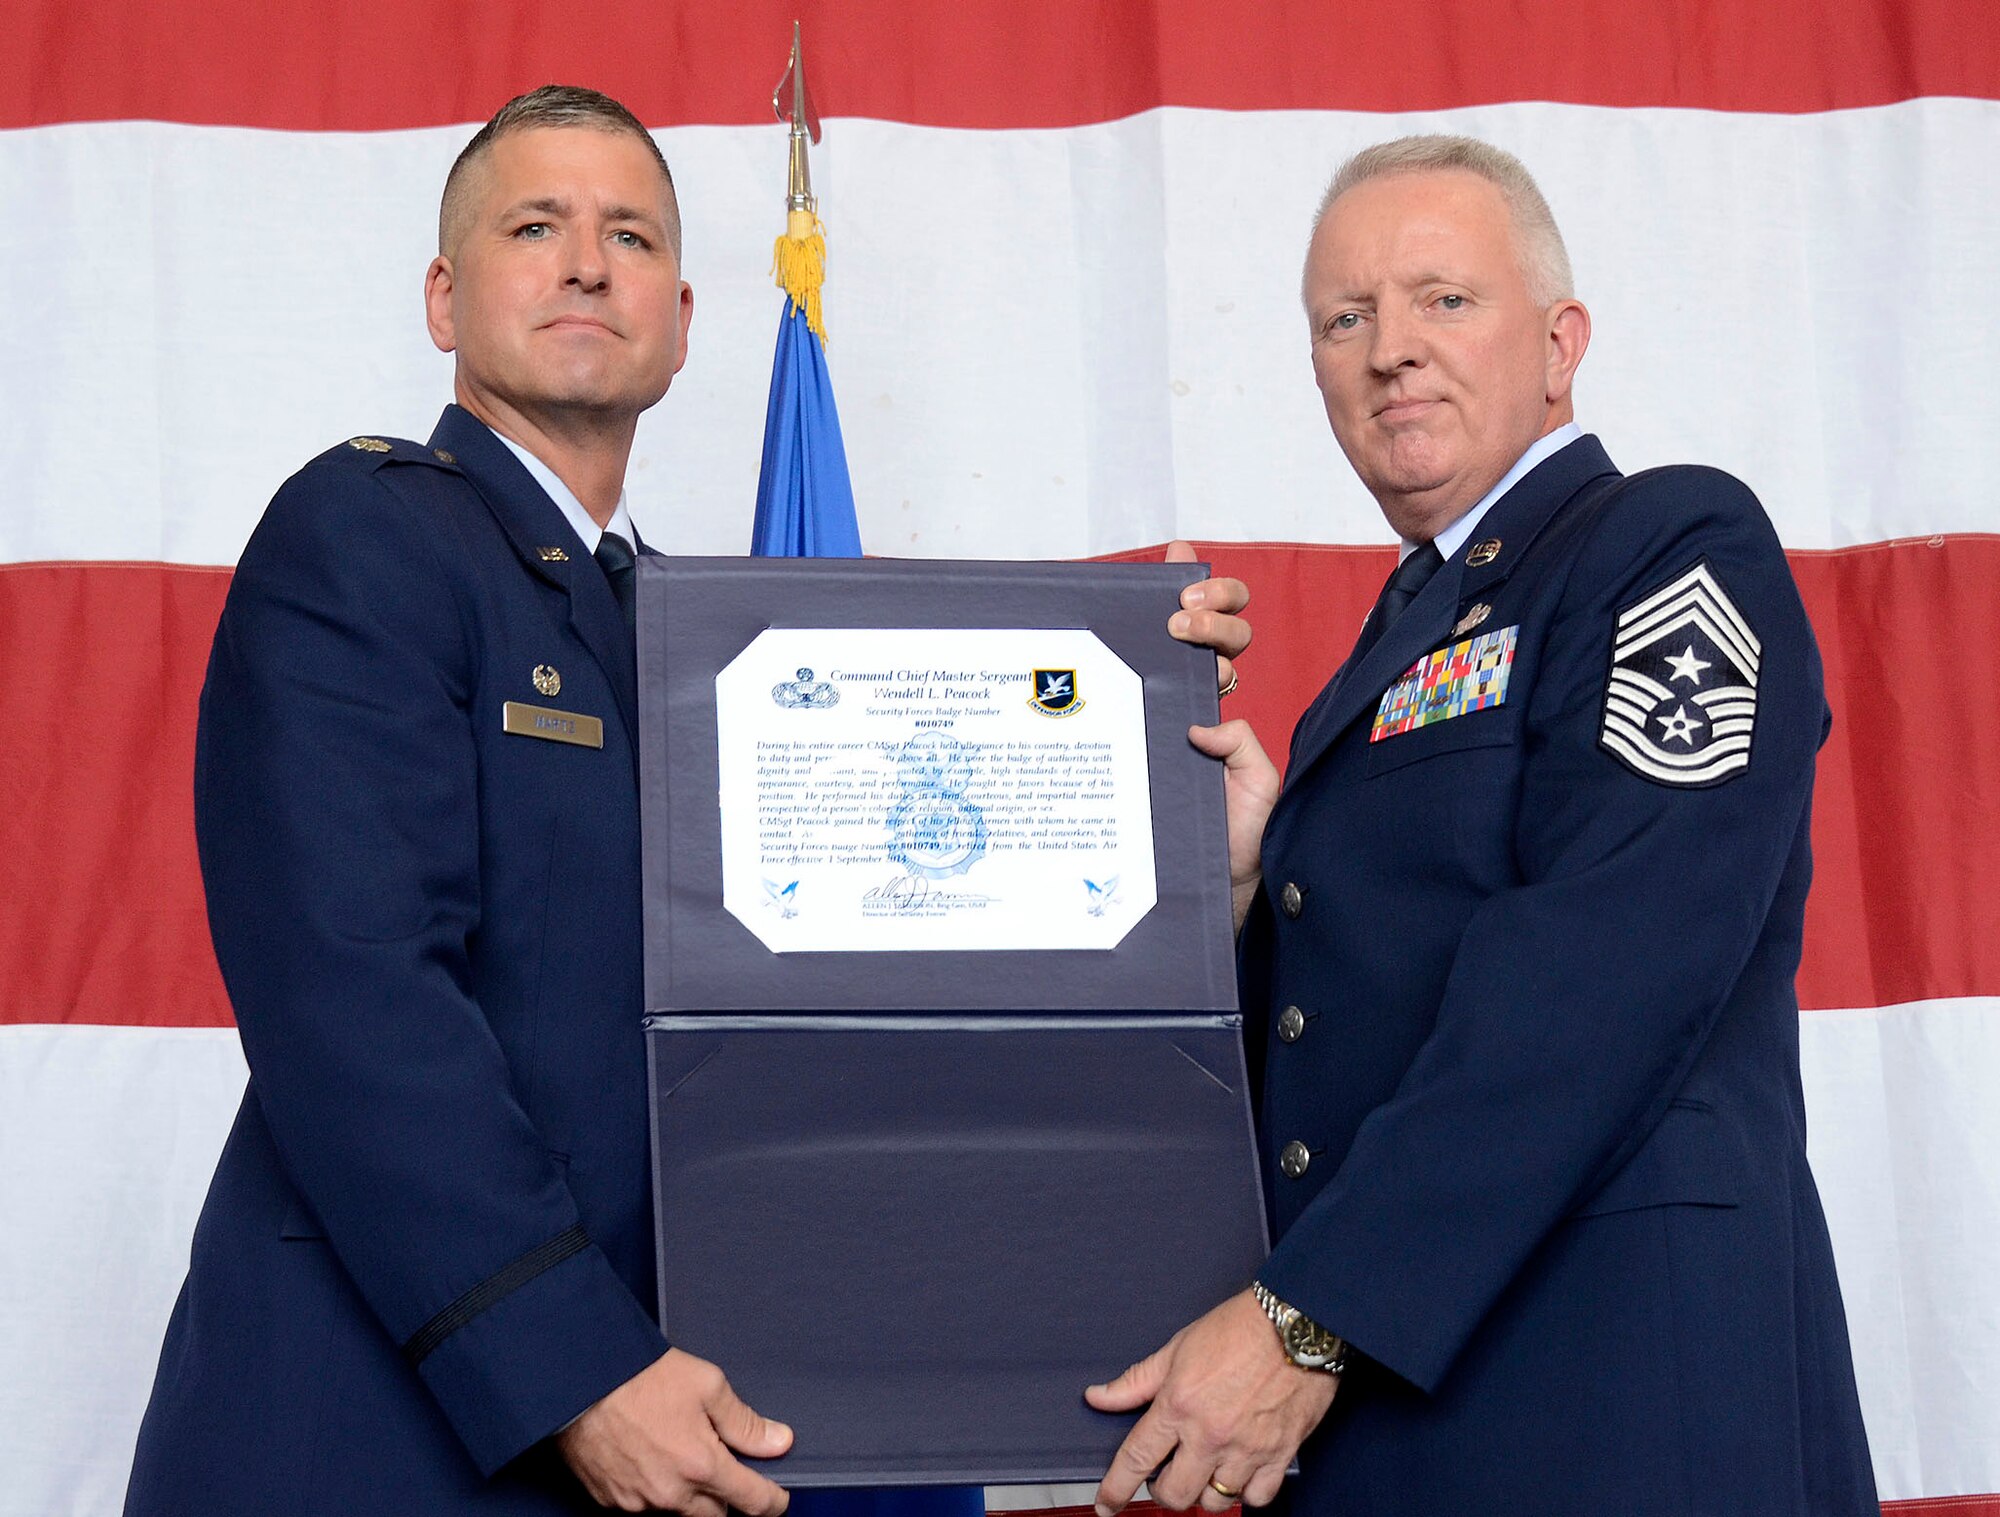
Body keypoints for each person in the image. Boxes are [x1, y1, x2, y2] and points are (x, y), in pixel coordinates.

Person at [123, 84, 1253, 1515]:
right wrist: (571, 1364)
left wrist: (1144, 750)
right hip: (385, 1431)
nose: (589, 263)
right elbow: (354, 996)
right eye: (536, 226)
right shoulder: (368, 537)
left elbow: (900, 966)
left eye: (632, 236)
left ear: (684, 316)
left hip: (680, 1423)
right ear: (442, 296)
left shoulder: (716, 653)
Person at [1087, 136, 1878, 1516]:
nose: (1391, 348)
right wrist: (1249, 889)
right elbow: (1368, 1013)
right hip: (1410, 1408)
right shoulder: (1405, 638)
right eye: (1347, 317)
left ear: (1562, 344)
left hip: (1614, 1397)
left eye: (1444, 299)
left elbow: (1606, 971)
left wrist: (1306, 1315)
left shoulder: (1672, 547)